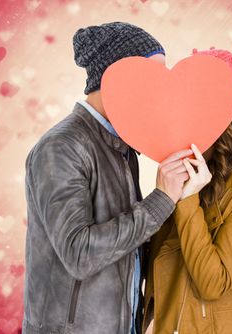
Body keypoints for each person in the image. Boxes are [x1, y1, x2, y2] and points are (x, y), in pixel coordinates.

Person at [22, 22, 192, 334]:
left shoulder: (122, 146)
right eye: (151, 78)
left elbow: (128, 242)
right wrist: (161, 200)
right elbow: (79, 254)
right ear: (117, 78)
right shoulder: (61, 147)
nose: (160, 92)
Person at [142, 47, 232, 334]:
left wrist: (188, 199)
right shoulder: (176, 162)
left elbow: (213, 283)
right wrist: (161, 198)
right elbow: (153, 259)